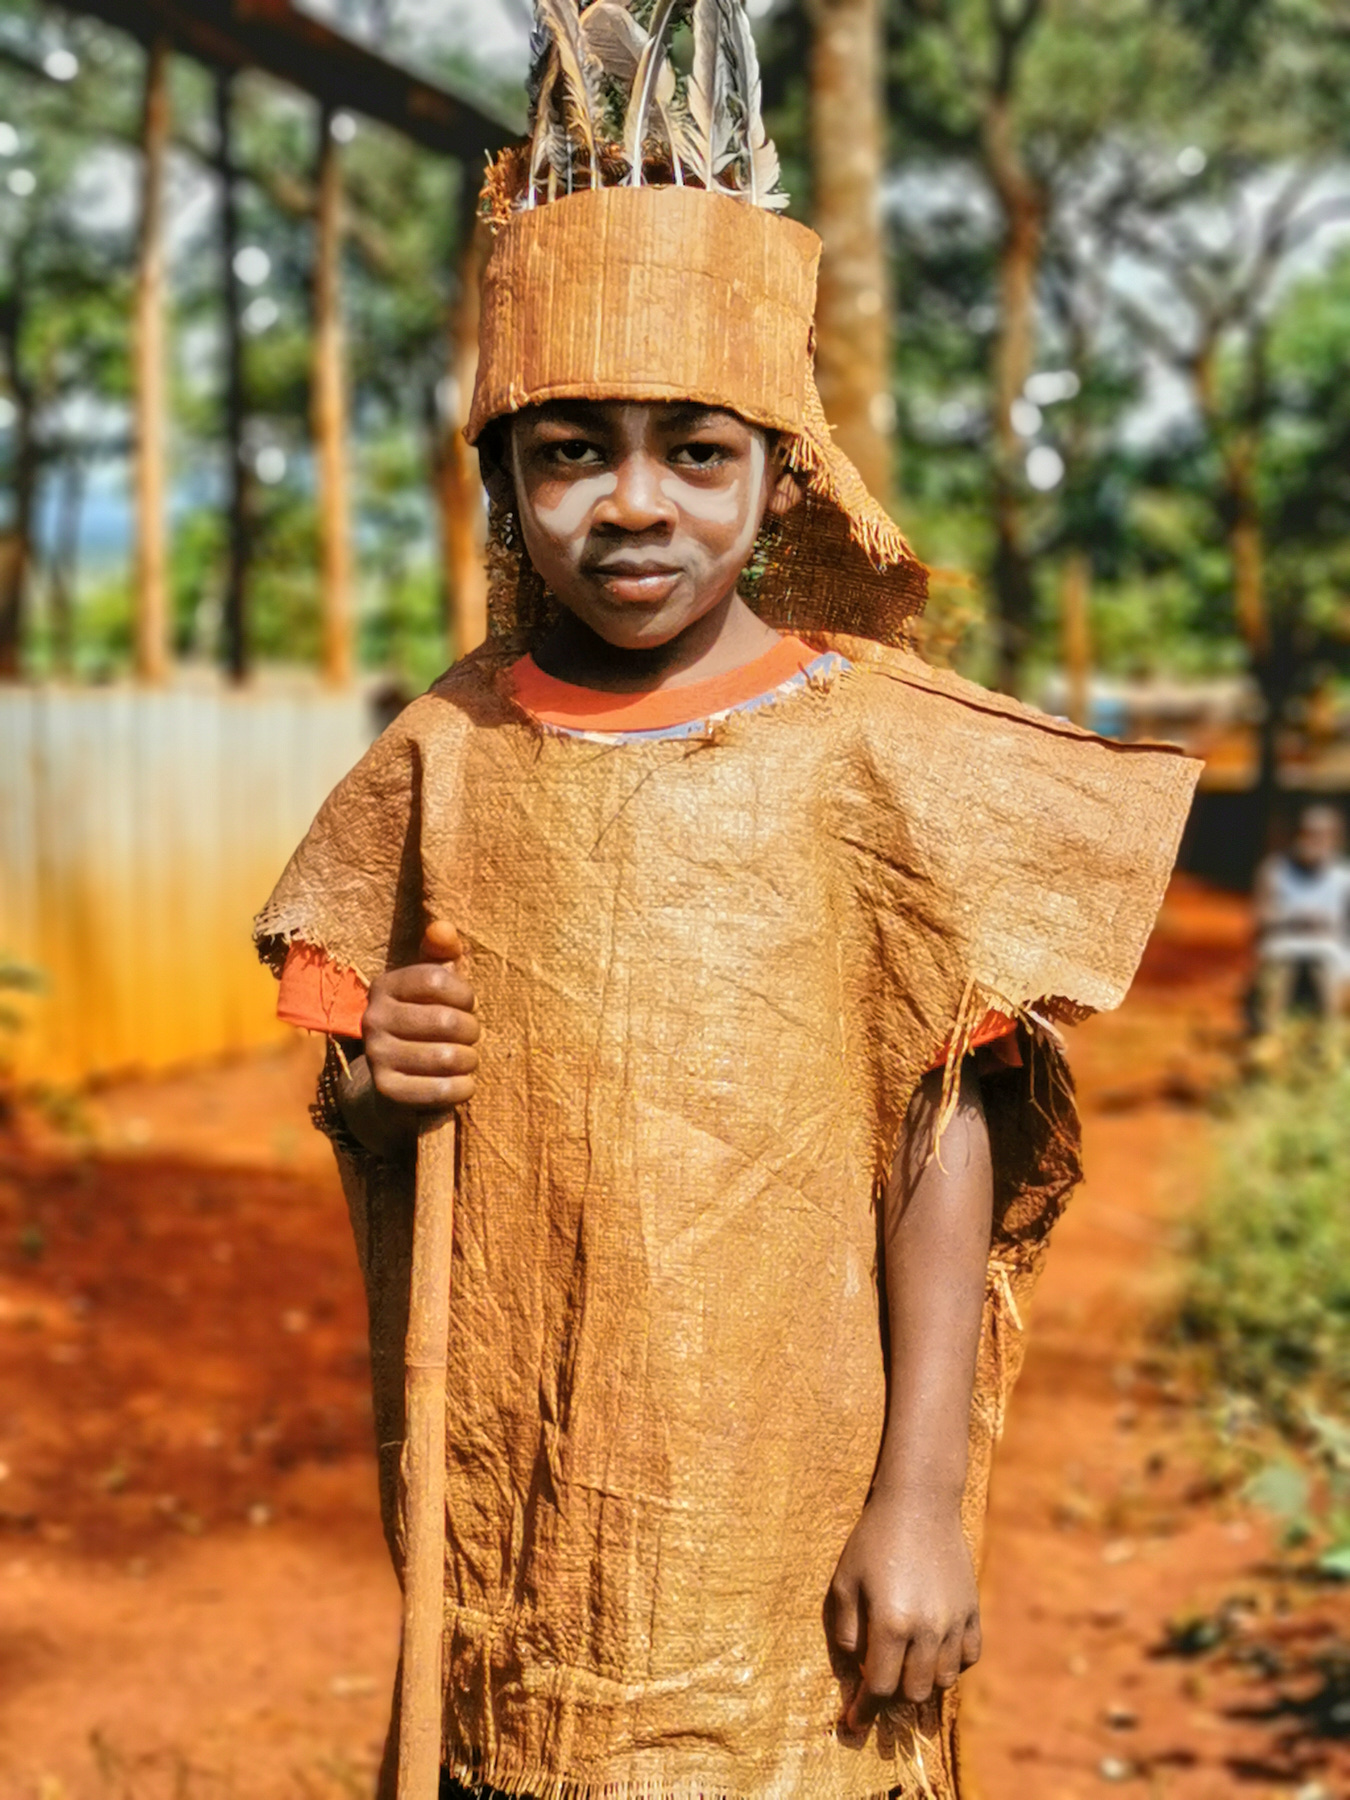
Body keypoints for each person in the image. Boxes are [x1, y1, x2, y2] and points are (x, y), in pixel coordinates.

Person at [255, 9, 1199, 1796]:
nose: (633, 506)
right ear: (502, 477)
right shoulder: (440, 757)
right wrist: (381, 1081)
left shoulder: (876, 758)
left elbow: (938, 1132)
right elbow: (359, 1085)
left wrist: (920, 1499)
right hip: (523, 1519)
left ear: (781, 474)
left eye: (695, 449)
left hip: (792, 1517)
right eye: (569, 450)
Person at [1253, 804, 1350, 1038]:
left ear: (1334, 839)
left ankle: (1329, 1038)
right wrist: (1293, 919)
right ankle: (1268, 1037)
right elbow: (1260, 918)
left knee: (1328, 978)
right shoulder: (1275, 870)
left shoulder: (1344, 877)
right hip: (1283, 944)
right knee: (1276, 977)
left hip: (1330, 948)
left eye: (1322, 835)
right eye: (1308, 834)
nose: (1314, 841)